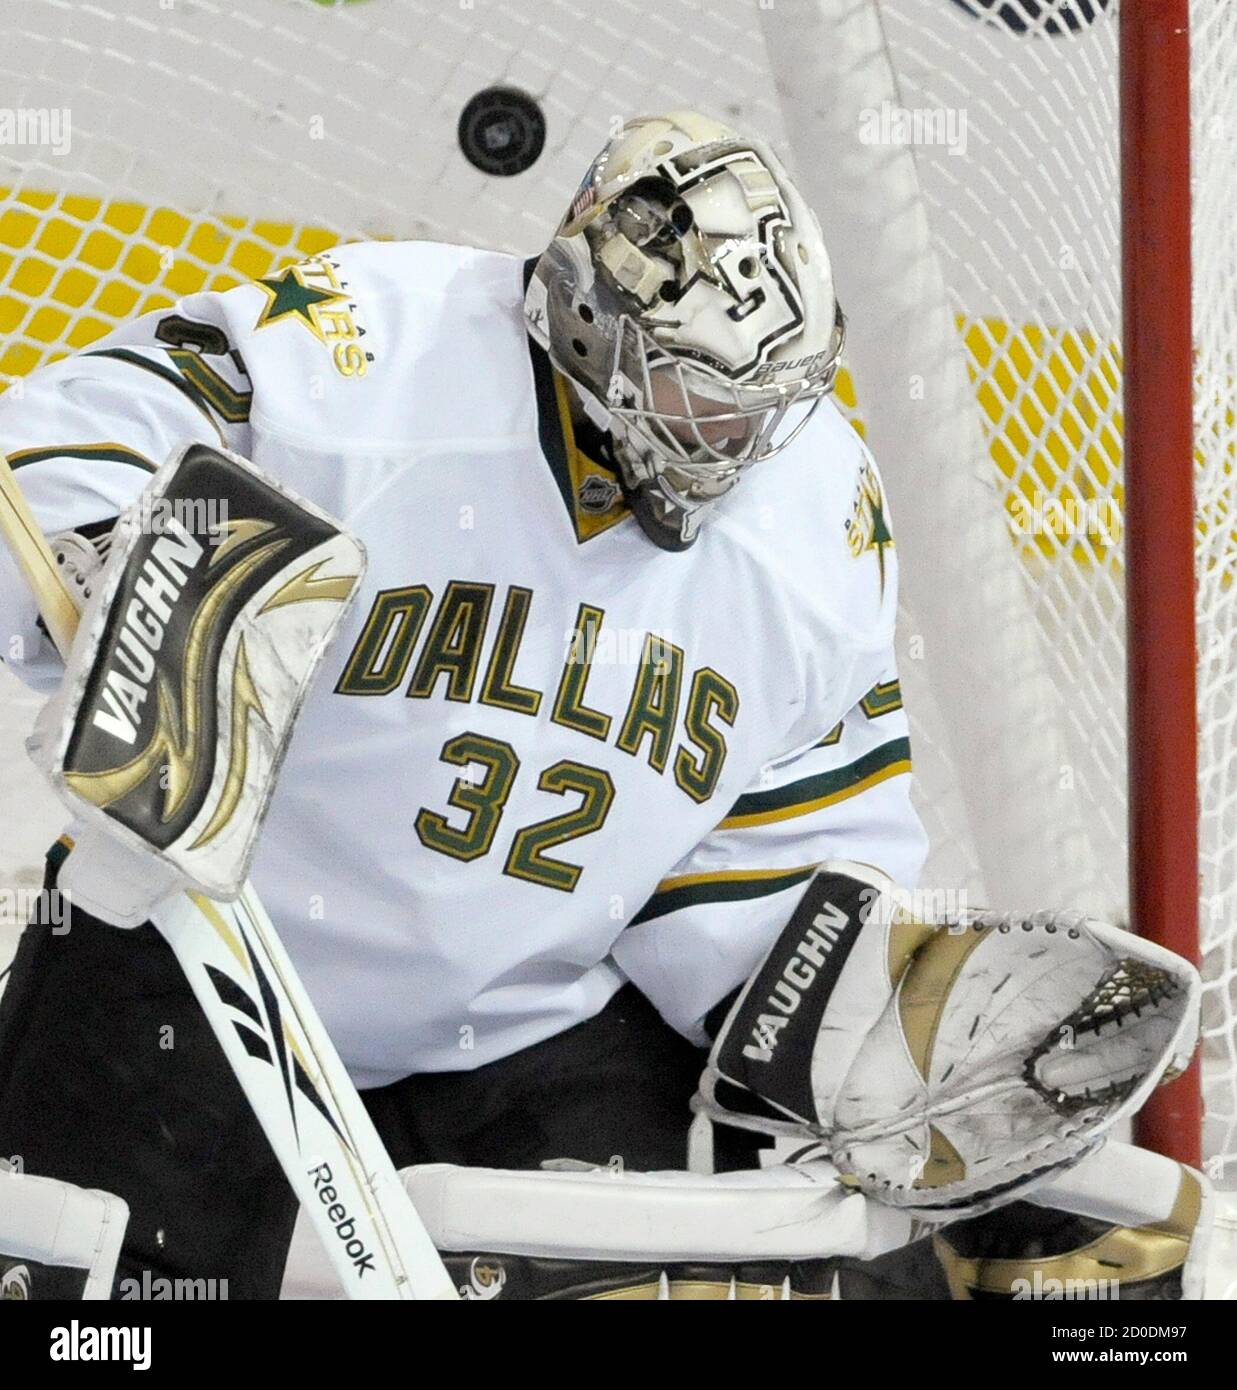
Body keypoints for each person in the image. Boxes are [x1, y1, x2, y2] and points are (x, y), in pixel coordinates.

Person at [0, 112, 1207, 1300]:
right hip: (191, 958)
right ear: (587, 319)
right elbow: (49, 456)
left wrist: (857, 1010)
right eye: (701, 400)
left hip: (534, 1016)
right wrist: (122, 556)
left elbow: (774, 833)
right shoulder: (367, 348)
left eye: (766, 403)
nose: (737, 442)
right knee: (91, 1317)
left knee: (749, 1262)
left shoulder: (818, 503)